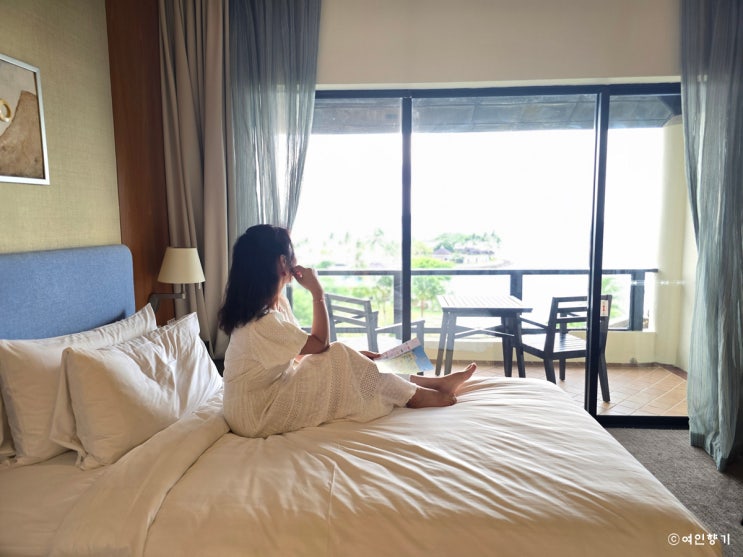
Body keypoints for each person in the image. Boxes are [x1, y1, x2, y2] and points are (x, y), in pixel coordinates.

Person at [218, 224, 476, 438]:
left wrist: (356, 359)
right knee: (340, 354)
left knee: (349, 357)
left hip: (265, 393)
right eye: (292, 255)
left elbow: (299, 352)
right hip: (256, 413)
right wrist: (317, 292)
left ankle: (433, 383)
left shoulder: (273, 305)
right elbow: (320, 344)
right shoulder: (262, 321)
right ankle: (417, 396)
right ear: (282, 262)